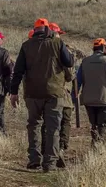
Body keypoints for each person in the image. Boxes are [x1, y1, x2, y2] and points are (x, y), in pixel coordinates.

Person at [10, 18, 74, 172]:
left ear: (35, 30)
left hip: (32, 94)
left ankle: (34, 160)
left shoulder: (26, 46)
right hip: (54, 94)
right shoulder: (57, 44)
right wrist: (59, 42)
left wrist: (13, 93)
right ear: (47, 30)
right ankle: (50, 163)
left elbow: (18, 71)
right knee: (53, 128)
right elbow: (69, 62)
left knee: (34, 126)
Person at [75, 38, 106, 147]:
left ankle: (95, 144)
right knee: (104, 125)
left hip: (88, 100)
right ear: (104, 47)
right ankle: (100, 148)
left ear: (94, 48)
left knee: (94, 125)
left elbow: (77, 82)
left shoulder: (85, 61)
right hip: (104, 100)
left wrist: (74, 98)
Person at [39, 22, 74, 168]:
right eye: (59, 33)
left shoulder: (40, 50)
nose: (60, 36)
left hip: (45, 94)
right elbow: (70, 76)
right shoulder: (62, 50)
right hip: (62, 95)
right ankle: (60, 149)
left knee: (48, 124)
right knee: (64, 123)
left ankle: (47, 151)